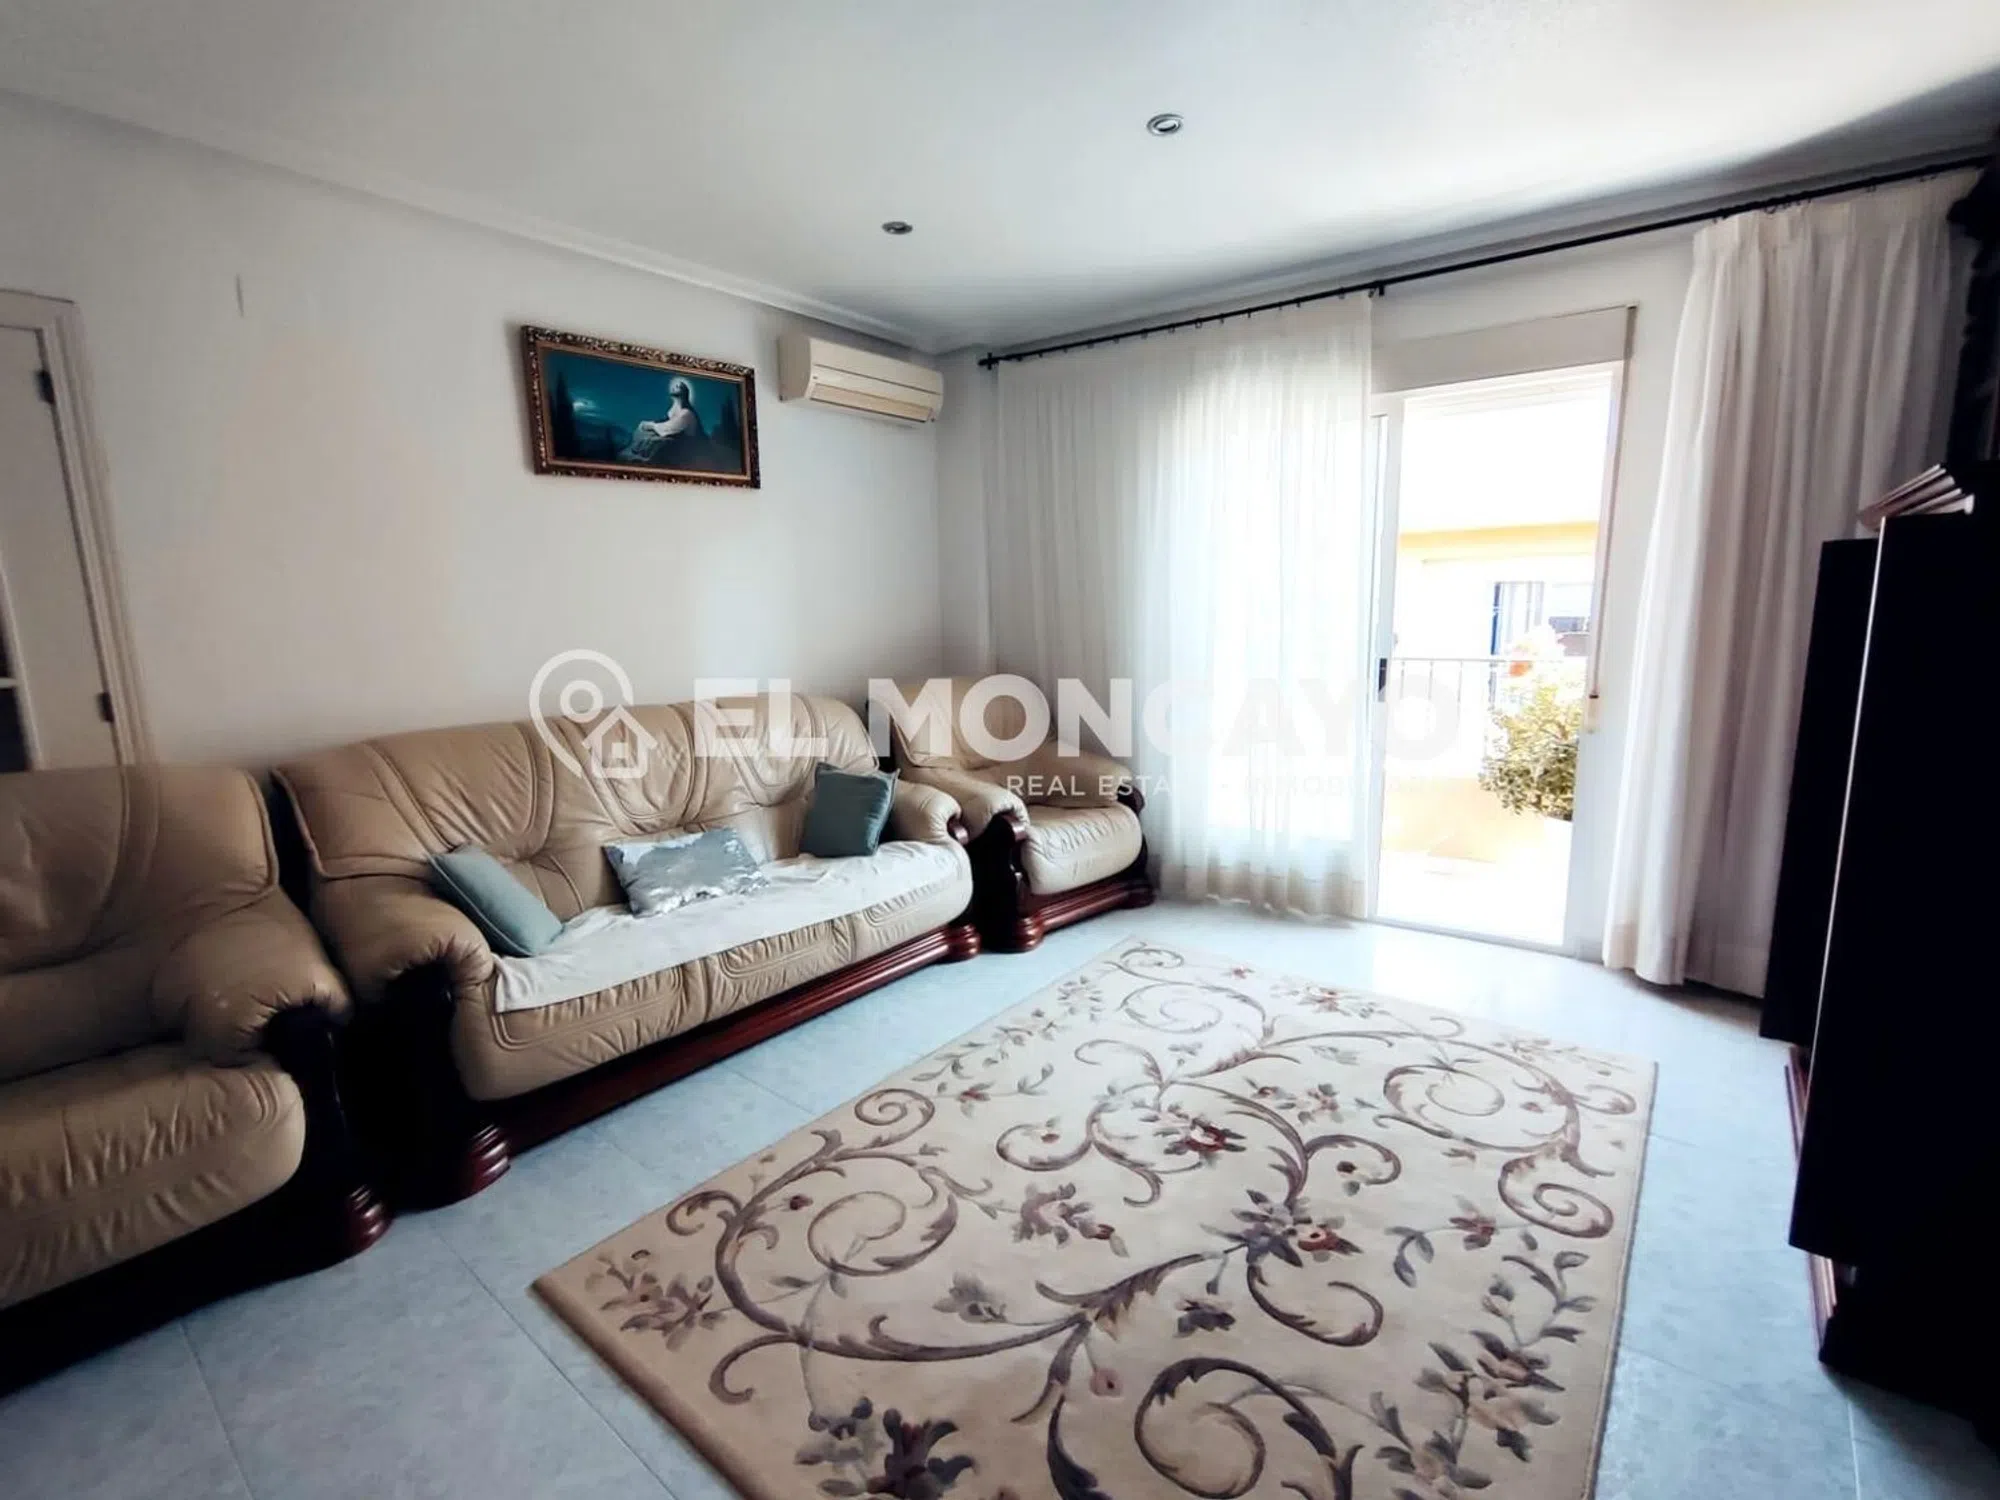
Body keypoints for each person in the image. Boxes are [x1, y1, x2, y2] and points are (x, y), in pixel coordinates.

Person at [621, 377, 706, 463]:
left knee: (655, 441)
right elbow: (664, 421)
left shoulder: (687, 413)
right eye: (674, 386)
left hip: (684, 446)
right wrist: (649, 424)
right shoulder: (673, 410)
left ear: (684, 392)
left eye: (678, 387)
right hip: (672, 437)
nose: (674, 388)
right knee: (644, 432)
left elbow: (670, 428)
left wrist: (651, 426)